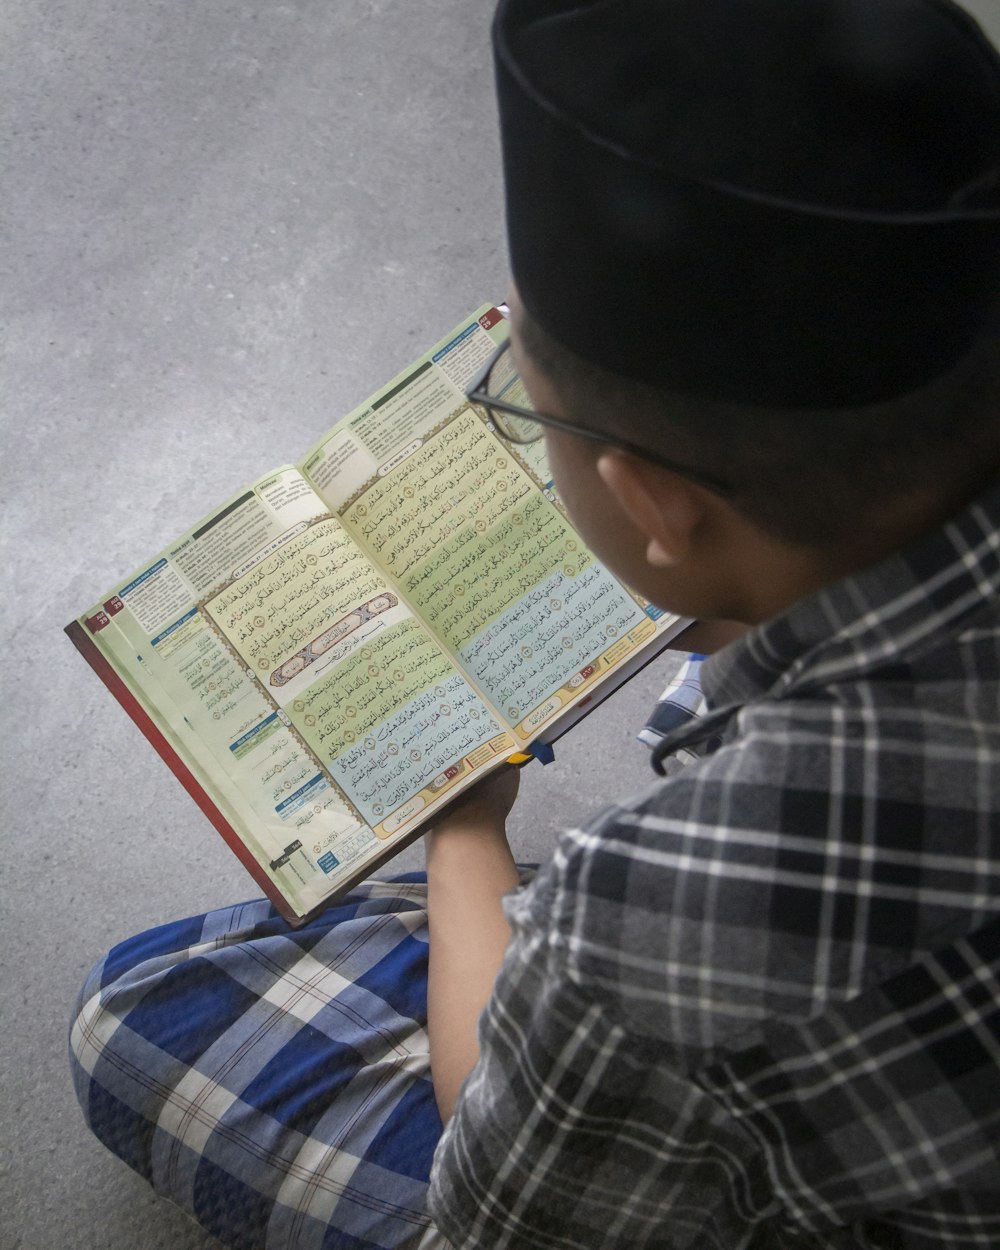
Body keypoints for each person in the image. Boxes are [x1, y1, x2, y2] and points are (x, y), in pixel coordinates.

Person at [70, 0, 1000, 1246]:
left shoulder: (654, 923)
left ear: (656, 501)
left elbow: (495, 1196)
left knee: (134, 1012)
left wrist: (463, 837)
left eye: (526, 401)